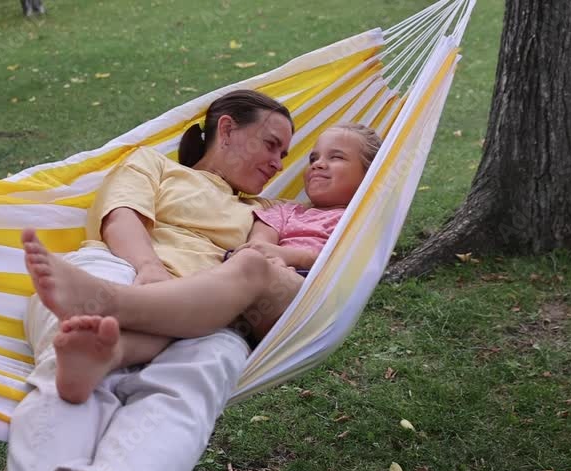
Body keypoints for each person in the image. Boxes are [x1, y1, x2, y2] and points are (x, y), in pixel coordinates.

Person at [4, 89, 295, 471]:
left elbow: (262, 267)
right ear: (226, 129)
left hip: (203, 308)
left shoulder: (262, 211)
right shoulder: (155, 165)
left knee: (201, 371)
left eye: (284, 154)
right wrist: (149, 268)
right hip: (119, 265)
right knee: (69, 354)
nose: (279, 163)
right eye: (271, 144)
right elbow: (120, 218)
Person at [23, 123, 383, 404]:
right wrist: (264, 252)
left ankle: (109, 301)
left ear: (370, 174)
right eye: (313, 157)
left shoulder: (363, 220)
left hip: (304, 300)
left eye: (336, 157)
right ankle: (103, 357)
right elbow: (259, 242)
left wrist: (289, 257)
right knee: (199, 309)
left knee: (251, 268)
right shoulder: (283, 209)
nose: (318, 163)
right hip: (248, 299)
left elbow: (343, 261)